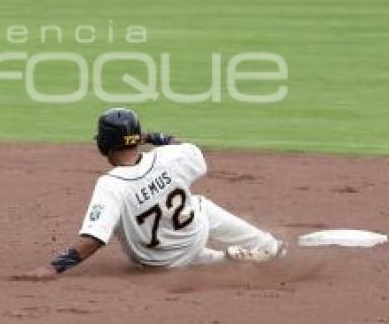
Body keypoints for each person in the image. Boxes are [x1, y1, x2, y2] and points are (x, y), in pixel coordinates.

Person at [16, 108, 286, 280]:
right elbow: (191, 150)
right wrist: (154, 137)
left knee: (138, 222)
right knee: (199, 205)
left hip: (158, 261)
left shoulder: (111, 184)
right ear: (137, 138)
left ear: (104, 145)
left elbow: (94, 238)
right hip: (192, 236)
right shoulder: (170, 157)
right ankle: (270, 247)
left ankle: (225, 259)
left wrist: (54, 267)